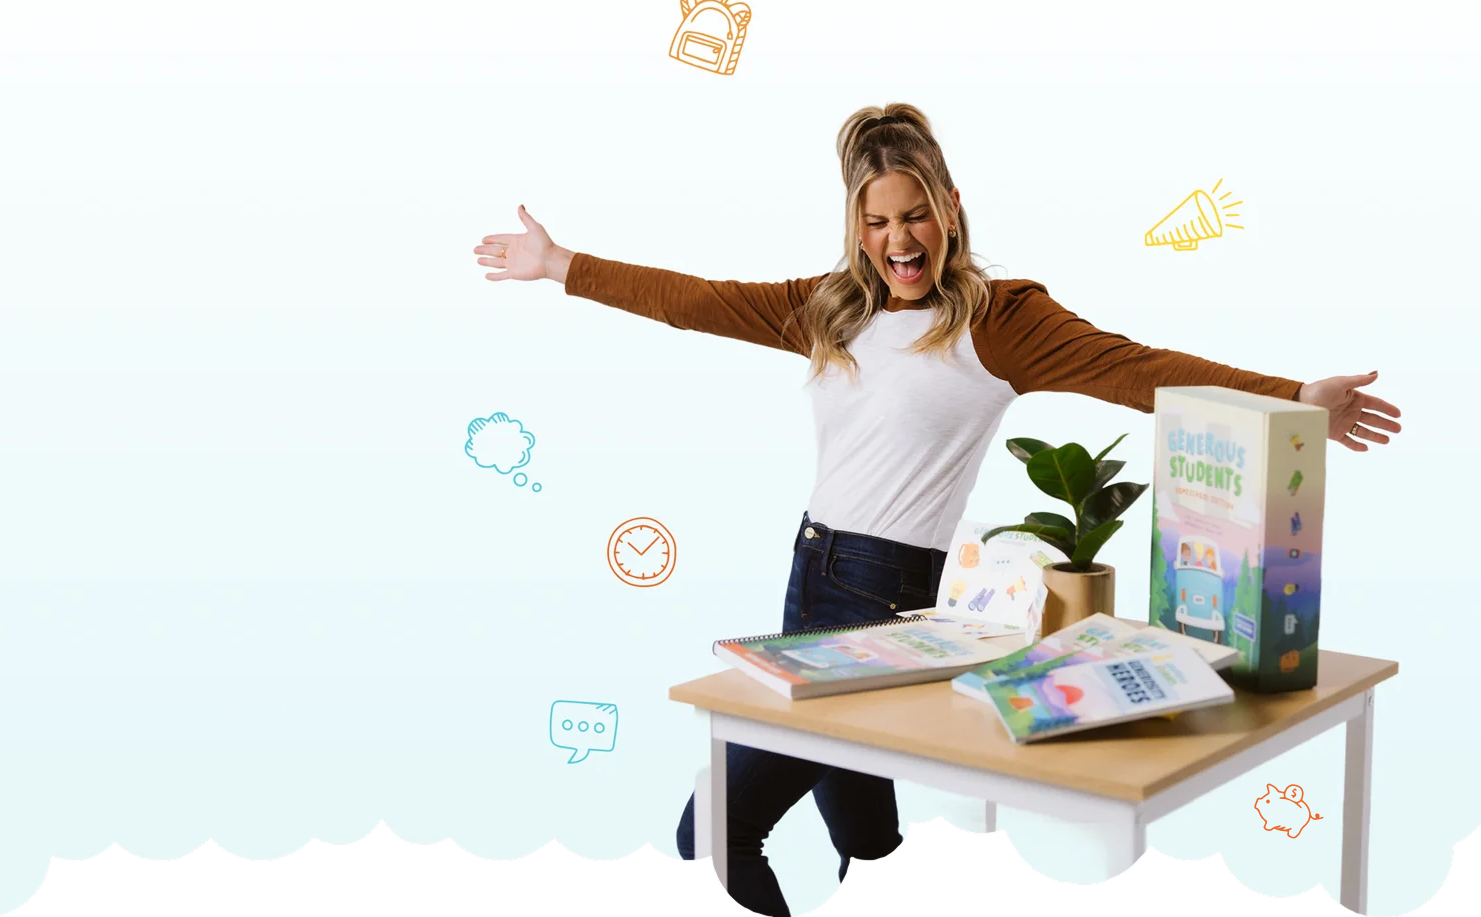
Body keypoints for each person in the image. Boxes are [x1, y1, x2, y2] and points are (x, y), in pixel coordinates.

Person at [471, 103, 1402, 917]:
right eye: (877, 220)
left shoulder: (1000, 320)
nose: (899, 238)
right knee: (869, 844)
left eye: (915, 213)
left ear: (950, 209)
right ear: (856, 226)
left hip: (879, 600)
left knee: (713, 832)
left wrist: (1292, 396)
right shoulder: (834, 307)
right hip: (808, 580)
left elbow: (1133, 368)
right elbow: (700, 303)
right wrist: (562, 265)